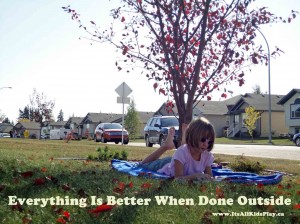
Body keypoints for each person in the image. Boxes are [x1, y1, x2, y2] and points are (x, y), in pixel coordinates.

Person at [140, 117, 215, 181]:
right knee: (142, 165)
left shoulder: (207, 155)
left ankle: (183, 140)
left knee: (184, 151)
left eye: (210, 141)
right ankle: (166, 146)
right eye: (203, 140)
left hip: (178, 161)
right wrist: (195, 176)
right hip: (165, 165)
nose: (206, 144)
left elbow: (209, 177)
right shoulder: (182, 152)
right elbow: (177, 179)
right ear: (193, 136)